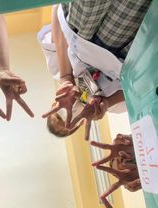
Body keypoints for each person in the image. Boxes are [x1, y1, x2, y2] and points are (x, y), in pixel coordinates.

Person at [39, 1, 151, 139]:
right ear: (80, 123)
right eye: (69, 122)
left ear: (54, 104)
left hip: (86, 26)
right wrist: (107, 101)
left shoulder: (56, 68)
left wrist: (66, 77)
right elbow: (142, 87)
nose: (68, 114)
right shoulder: (113, 107)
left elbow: (58, 12)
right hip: (130, 48)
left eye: (59, 115)